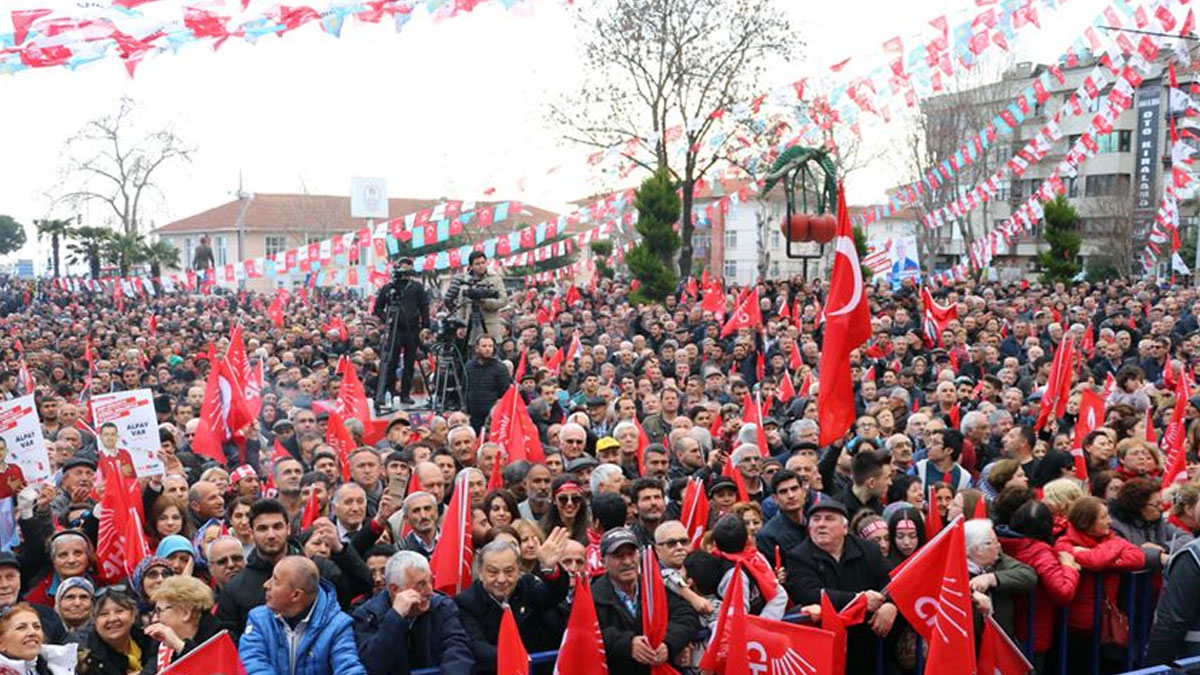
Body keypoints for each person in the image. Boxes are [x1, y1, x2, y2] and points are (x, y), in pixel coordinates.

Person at [784, 498, 897, 675]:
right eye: (816, 519)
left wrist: (890, 605)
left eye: (829, 519)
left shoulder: (868, 550)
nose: (821, 524)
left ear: (844, 528)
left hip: (868, 644)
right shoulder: (798, 557)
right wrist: (860, 600)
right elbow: (809, 594)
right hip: (824, 648)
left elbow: (892, 581)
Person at [454, 534, 571, 673]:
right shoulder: (466, 602)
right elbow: (477, 646)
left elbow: (552, 596)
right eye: (493, 572)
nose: (502, 579)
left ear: (518, 570)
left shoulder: (526, 586)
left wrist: (550, 569)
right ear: (480, 572)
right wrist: (516, 660)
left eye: (509, 571)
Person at [590, 528, 700, 674]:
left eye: (631, 554)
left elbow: (686, 616)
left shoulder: (654, 586)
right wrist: (628, 644)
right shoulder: (593, 596)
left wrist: (667, 643)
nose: (627, 561)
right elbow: (587, 632)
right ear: (603, 561)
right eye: (619, 556)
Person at [239, 556, 366, 675]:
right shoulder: (258, 619)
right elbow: (252, 664)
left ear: (296, 595)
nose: (266, 584)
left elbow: (349, 668)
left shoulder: (337, 626)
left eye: (275, 580)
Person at [352, 551, 473, 675]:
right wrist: (395, 617)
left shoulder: (442, 607)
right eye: (420, 585)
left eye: (430, 581)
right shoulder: (367, 615)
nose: (430, 591)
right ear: (395, 590)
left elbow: (458, 650)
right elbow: (373, 666)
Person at [996, 500, 1080, 670]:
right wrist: (1069, 567)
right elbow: (1063, 591)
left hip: (1006, 627)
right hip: (1032, 631)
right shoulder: (1040, 552)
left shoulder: (1001, 543)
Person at [371, 257, 430, 406]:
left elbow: (424, 308)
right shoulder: (389, 287)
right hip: (395, 329)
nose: (405, 271)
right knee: (391, 362)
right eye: (403, 267)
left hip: (413, 329)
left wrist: (426, 327)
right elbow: (377, 308)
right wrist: (387, 319)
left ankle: (405, 394)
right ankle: (388, 392)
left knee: (410, 362)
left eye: (408, 268)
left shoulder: (417, 287)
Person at [74, 588, 156, 675]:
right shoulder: (85, 656)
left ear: (133, 615)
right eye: (104, 614)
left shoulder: (149, 639)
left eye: (119, 611)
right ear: (94, 620)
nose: (112, 619)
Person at [143, 576, 220, 668]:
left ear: (186, 613)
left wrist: (179, 645)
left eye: (160, 610)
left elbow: (209, 670)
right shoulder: (162, 643)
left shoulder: (220, 638)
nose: (155, 619)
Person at [444, 251, 507, 344]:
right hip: (471, 325)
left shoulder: (495, 278)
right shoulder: (465, 280)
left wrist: (485, 302)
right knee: (471, 353)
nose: (481, 266)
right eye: (477, 264)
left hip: (490, 325)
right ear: (471, 266)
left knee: (491, 351)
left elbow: (503, 300)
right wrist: (461, 325)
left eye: (483, 263)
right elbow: (462, 305)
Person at [0, 602, 77, 675]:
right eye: (21, 628)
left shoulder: (59, 669)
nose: (32, 632)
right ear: (1, 643)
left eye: (37, 627)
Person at [463, 335, 511, 432]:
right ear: (477, 348)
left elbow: (505, 393)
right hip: (474, 415)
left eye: (490, 346)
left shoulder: (500, 368)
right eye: (484, 346)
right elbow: (465, 389)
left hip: (492, 416)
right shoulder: (468, 367)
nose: (488, 349)